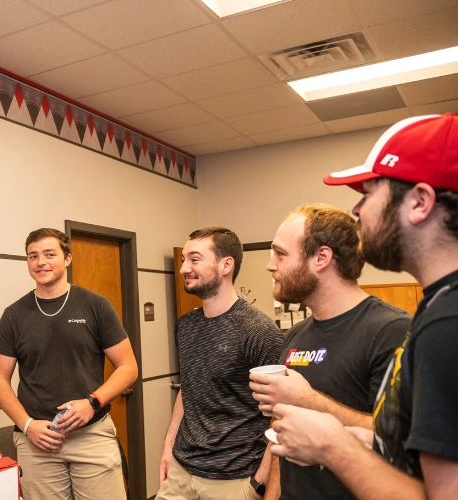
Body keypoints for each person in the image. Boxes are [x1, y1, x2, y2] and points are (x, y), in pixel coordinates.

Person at [270, 113, 458, 499]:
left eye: (369, 193)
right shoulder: (436, 308)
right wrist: (372, 443)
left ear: (420, 202)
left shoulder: (447, 322)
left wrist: (333, 447)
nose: (356, 211)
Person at [249, 204, 409, 500]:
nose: (270, 265)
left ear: (321, 257)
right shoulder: (296, 333)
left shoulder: (392, 331)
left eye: (280, 254)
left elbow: (397, 439)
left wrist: (308, 400)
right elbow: (282, 430)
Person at [0, 228, 138, 500]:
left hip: (91, 434)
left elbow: (128, 367)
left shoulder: (95, 306)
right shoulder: (13, 316)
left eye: (49, 254)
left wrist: (93, 402)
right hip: (37, 441)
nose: (40, 262)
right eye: (33, 256)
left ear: (68, 259)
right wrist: (26, 425)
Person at [158, 227, 283, 500]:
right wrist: (168, 447)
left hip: (234, 480)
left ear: (226, 265)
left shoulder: (257, 330)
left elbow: (281, 414)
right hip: (181, 472)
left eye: (194, 259)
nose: (183, 269)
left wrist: (259, 483)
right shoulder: (186, 325)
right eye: (183, 261)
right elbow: (188, 390)